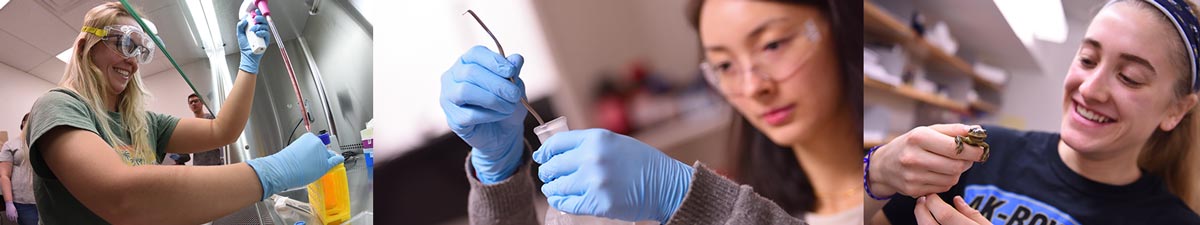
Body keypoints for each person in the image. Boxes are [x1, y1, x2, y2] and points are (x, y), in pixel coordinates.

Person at [438, 0, 862, 224]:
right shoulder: (749, 199)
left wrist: (690, 199)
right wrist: (499, 173)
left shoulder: (913, 189)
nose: (753, 86)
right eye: (725, 65)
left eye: (772, 45)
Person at [863, 0, 1200, 224]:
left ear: (1176, 109)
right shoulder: (982, 152)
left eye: (1130, 78)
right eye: (1087, 59)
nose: (1089, 89)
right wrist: (875, 175)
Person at [23, 2, 343, 224]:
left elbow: (223, 131)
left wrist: (249, 63)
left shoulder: (144, 122)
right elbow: (122, 197)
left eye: (141, 51)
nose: (134, 61)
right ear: (84, 47)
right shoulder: (59, 106)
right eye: (126, 44)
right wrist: (274, 171)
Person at [0, 114, 36, 225]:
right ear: (23, 123)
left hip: (44, 200)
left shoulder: (41, 144)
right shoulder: (11, 145)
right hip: (23, 203)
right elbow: (4, 175)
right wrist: (9, 202)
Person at [187, 93, 224, 166]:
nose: (193, 104)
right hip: (198, 165)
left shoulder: (211, 119)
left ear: (202, 102)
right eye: (191, 102)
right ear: (189, 106)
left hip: (214, 163)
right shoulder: (191, 124)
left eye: (196, 101)